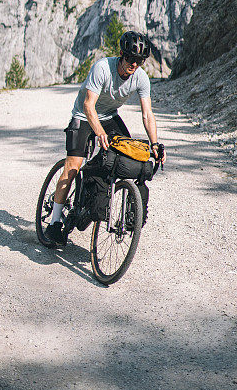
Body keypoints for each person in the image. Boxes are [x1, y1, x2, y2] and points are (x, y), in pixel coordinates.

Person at [45, 30, 166, 244]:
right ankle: (55, 222)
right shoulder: (103, 68)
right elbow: (88, 105)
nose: (134, 64)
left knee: (129, 157)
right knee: (73, 165)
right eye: (131, 58)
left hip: (110, 117)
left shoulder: (141, 78)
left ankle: (96, 199)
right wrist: (99, 132)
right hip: (84, 116)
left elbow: (147, 114)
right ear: (121, 54)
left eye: (140, 60)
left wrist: (155, 144)